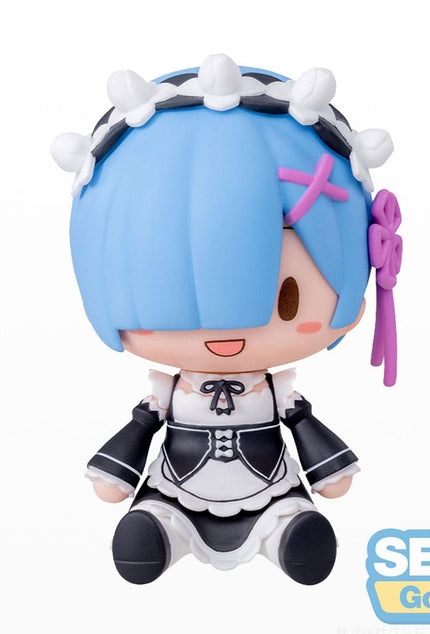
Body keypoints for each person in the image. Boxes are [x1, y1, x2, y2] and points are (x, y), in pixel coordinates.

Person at [51, 54, 402, 585]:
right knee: (160, 515)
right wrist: (117, 471)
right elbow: (141, 427)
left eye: (286, 300)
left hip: (269, 485)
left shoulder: (279, 391)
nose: (228, 333)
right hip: (177, 485)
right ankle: (162, 532)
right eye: (167, 294)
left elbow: (303, 426)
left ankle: (285, 535)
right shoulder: (166, 393)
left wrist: (327, 470)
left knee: (285, 515)